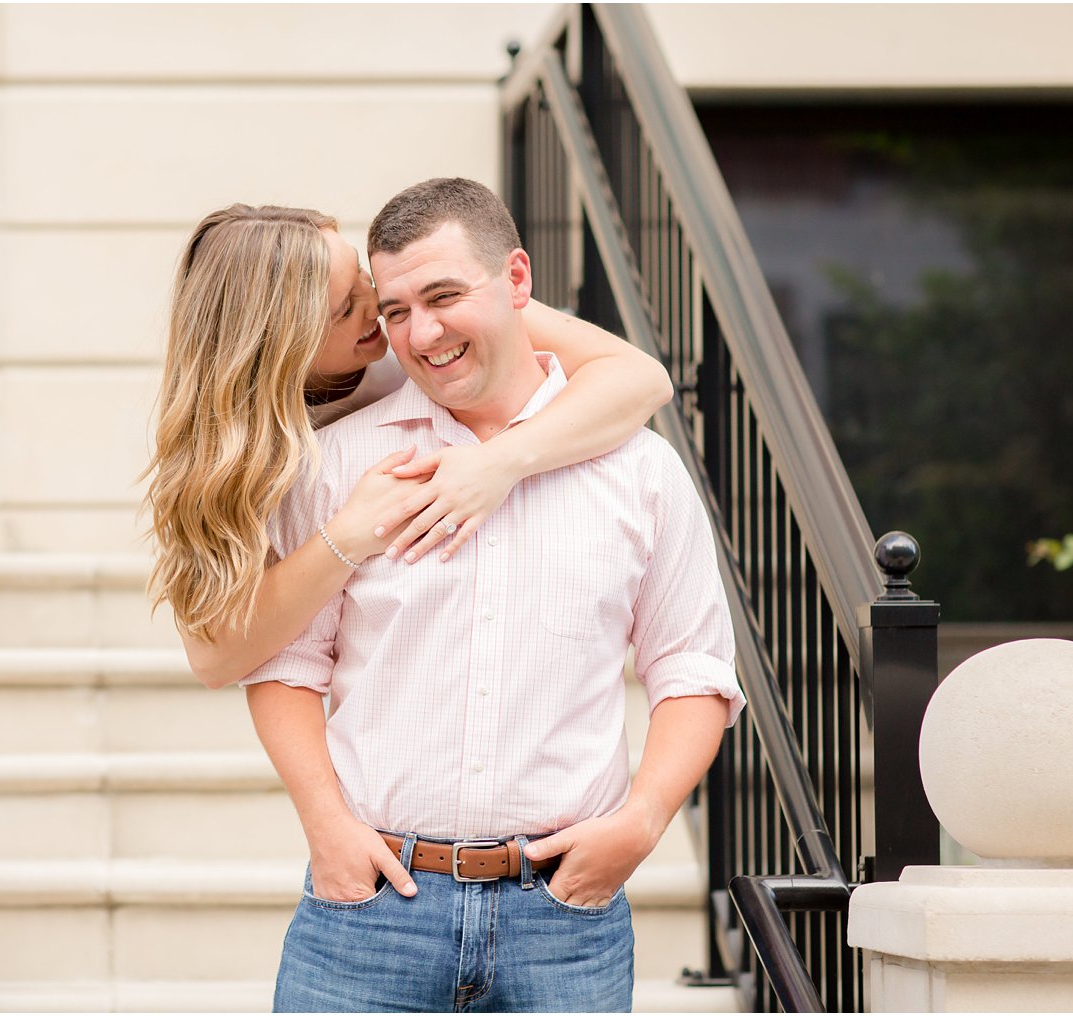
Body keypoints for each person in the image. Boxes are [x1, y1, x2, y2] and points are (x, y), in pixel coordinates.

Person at [238, 178, 746, 1013]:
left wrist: (644, 819)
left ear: (517, 281)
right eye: (395, 310)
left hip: (563, 918)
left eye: (444, 296)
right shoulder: (337, 467)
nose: (421, 333)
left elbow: (692, 669)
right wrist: (327, 827)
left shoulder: (640, 474)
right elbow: (288, 662)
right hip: (372, 912)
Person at [148, 203, 673, 689]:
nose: (378, 306)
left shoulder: (424, 323)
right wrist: (348, 538)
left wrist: (498, 464)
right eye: (344, 308)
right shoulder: (232, 444)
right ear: (282, 346)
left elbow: (641, 378)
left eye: (362, 277)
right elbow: (213, 656)